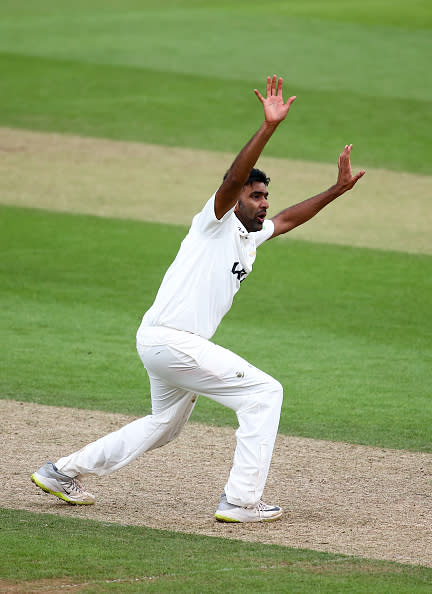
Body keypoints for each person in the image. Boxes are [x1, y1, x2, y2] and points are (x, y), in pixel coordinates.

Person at [31, 75, 365, 523]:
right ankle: (242, 501)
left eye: (265, 195)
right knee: (265, 393)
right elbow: (231, 179)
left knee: (164, 425)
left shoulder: (249, 237)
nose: (264, 203)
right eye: (256, 195)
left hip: (165, 344)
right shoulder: (216, 222)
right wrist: (268, 128)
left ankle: (60, 471)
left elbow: (286, 220)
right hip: (172, 340)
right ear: (236, 199)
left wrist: (337, 190)